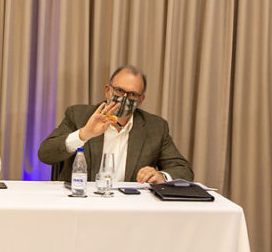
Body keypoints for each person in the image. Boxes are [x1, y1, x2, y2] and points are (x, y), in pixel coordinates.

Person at [38, 65, 193, 183]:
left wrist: (161, 176)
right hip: (83, 204)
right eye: (119, 91)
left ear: (141, 100)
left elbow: (183, 171)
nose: (124, 98)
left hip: (130, 211)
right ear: (108, 91)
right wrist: (84, 134)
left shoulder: (156, 127)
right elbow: (45, 154)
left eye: (132, 94)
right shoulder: (79, 115)